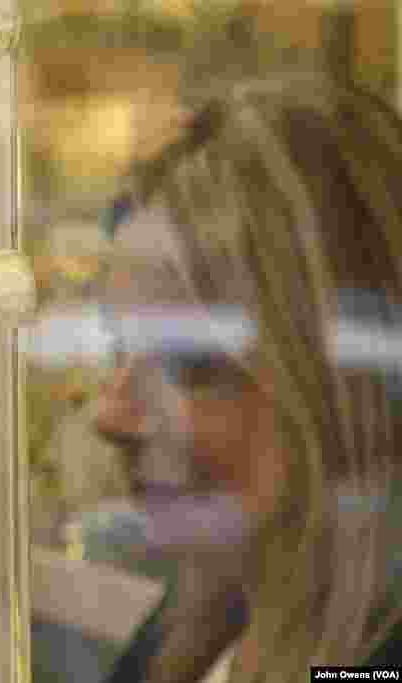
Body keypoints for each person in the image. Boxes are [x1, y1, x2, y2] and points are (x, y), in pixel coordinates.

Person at [82, 75, 402, 681]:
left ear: (358, 391)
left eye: (188, 361)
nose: (112, 415)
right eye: (120, 347)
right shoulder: (196, 627)